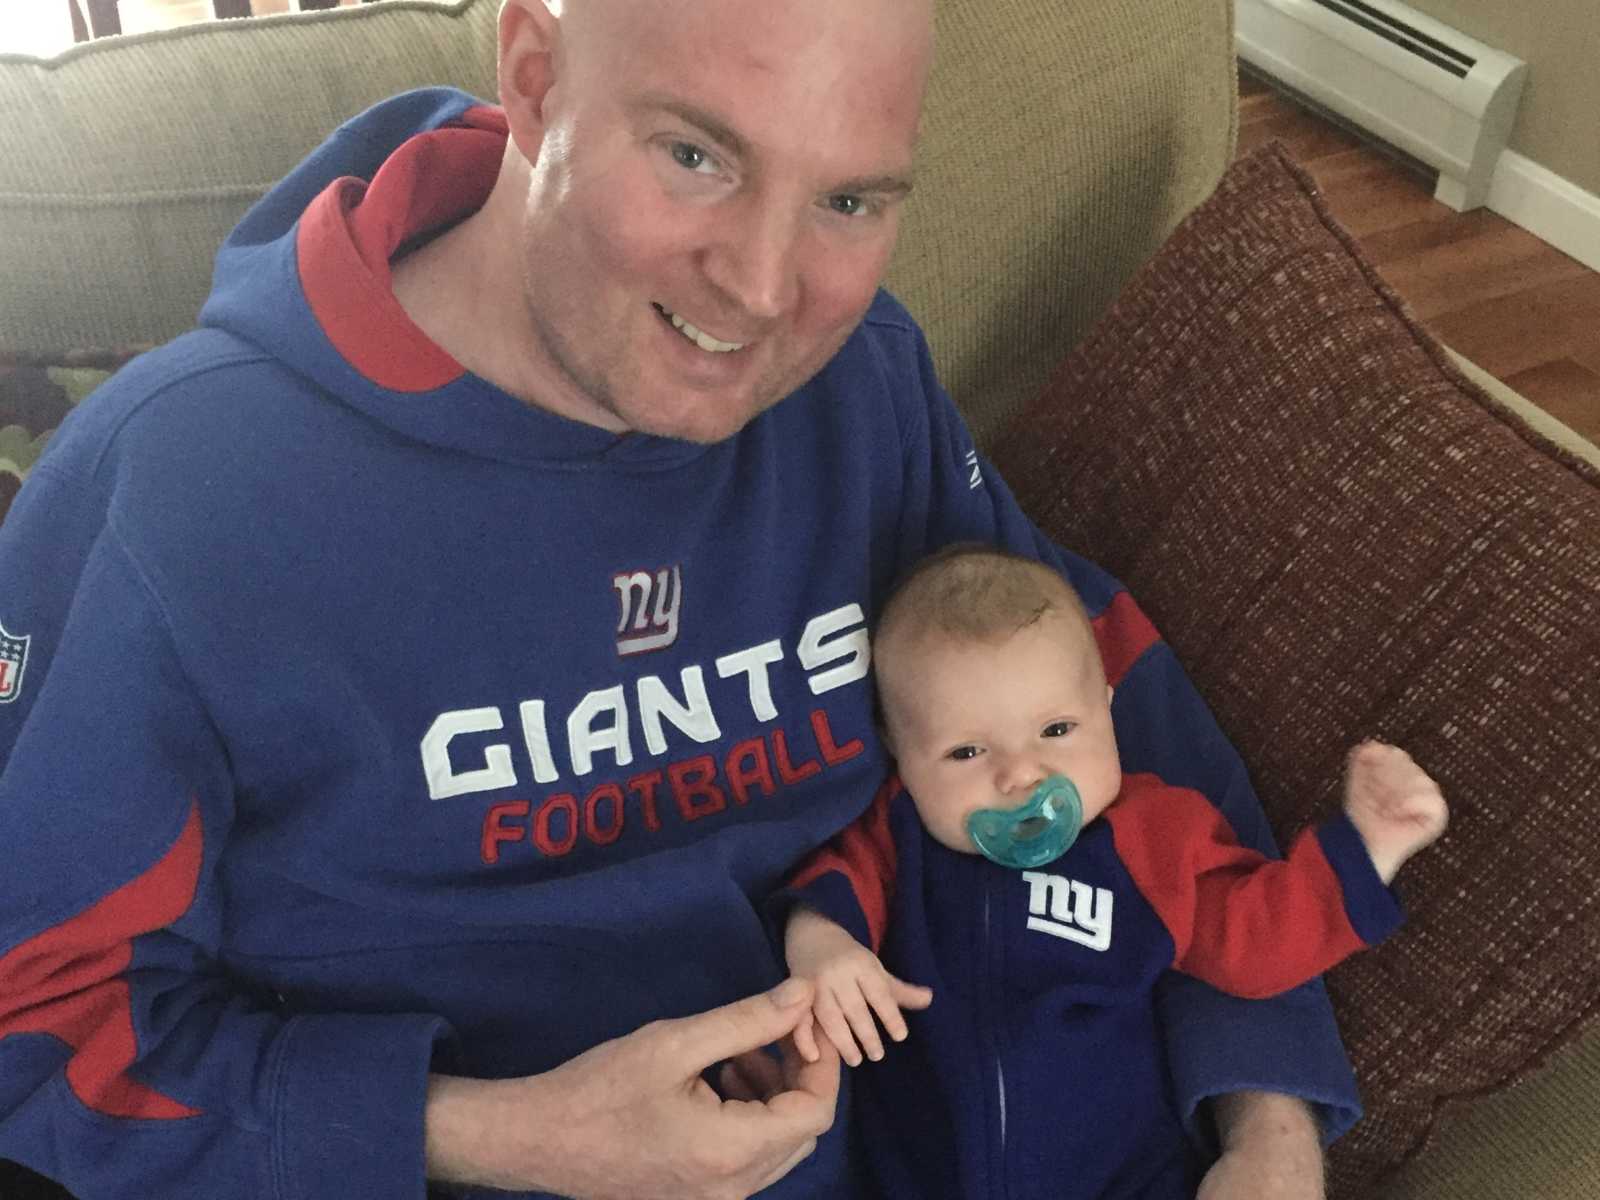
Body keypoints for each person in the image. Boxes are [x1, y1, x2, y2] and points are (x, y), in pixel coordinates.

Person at [0, 0, 1360, 1196]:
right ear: (532, 77)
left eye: (850, 201)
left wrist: (1268, 1123)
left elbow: (1113, 728)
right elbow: (33, 1019)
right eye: (696, 156)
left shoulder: (861, 387)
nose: (765, 294)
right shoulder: (171, 492)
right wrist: (488, 1132)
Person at [777, 545, 1450, 1198]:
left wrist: (1365, 851)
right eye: (967, 750)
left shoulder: (1151, 834)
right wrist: (823, 946)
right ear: (902, 754)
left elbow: (1258, 940)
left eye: (1058, 731)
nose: (1020, 775)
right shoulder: (899, 835)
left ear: (1105, 707)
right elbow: (830, 887)